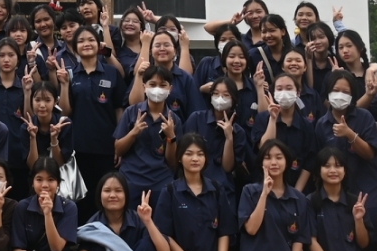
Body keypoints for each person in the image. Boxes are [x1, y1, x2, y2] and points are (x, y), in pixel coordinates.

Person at [152, 134, 242, 251]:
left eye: (200, 154)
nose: (195, 158)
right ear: (179, 158)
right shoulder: (170, 191)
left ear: (206, 158)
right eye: (189, 154)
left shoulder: (217, 189)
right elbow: (165, 235)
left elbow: (225, 231)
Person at [239, 138, 319, 251]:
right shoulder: (250, 192)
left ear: (288, 162)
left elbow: (299, 239)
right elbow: (251, 229)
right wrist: (264, 194)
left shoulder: (298, 198)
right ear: (261, 163)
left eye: (279, 157)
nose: (273, 162)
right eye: (268, 158)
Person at [314, 70, 377, 205]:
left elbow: (370, 154)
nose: (340, 95)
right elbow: (321, 162)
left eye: (345, 92)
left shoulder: (364, 117)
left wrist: (350, 134)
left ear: (352, 95)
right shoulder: (322, 125)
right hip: (338, 194)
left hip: (369, 190)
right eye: (335, 90)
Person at [113, 66, 182, 207]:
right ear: (144, 87)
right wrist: (134, 132)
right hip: (131, 180)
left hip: (161, 182)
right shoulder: (131, 113)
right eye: (152, 84)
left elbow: (173, 163)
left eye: (163, 85)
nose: (157, 89)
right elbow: (118, 150)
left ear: (170, 89)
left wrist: (171, 137)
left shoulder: (174, 119)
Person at [64, 26, 122, 192]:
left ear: (99, 45)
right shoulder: (70, 75)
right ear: (75, 47)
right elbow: (66, 112)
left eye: (91, 40)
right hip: (79, 148)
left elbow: (119, 109)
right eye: (81, 41)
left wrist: (119, 143)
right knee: (82, 198)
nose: (86, 44)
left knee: (105, 194)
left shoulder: (112, 73)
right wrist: (63, 84)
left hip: (107, 147)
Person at [180, 75, 248, 189]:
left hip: (222, 188)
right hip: (193, 183)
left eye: (226, 95)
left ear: (233, 99)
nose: (220, 98)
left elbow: (227, 168)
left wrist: (229, 138)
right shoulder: (196, 118)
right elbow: (182, 151)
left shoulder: (239, 132)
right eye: (216, 94)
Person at [253, 72, 316, 190]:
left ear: (298, 92)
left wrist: (297, 192)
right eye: (279, 89)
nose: (284, 92)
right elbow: (263, 148)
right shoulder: (263, 118)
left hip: (297, 187)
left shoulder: (306, 125)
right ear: (273, 93)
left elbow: (309, 161)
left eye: (289, 88)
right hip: (266, 185)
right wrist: (273, 119)